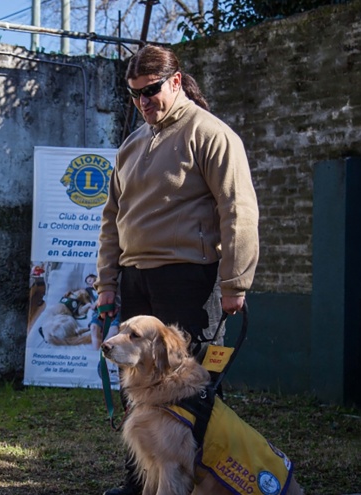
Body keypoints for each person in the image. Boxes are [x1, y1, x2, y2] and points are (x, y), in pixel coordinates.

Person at [95, 44, 259, 495]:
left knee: (193, 391)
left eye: (150, 91)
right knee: (140, 384)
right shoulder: (131, 144)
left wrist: (235, 282)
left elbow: (238, 210)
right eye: (134, 95)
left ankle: (212, 480)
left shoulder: (210, 133)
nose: (143, 103)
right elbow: (112, 219)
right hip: (135, 277)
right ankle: (141, 479)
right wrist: (107, 283)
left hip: (190, 278)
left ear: (175, 80)